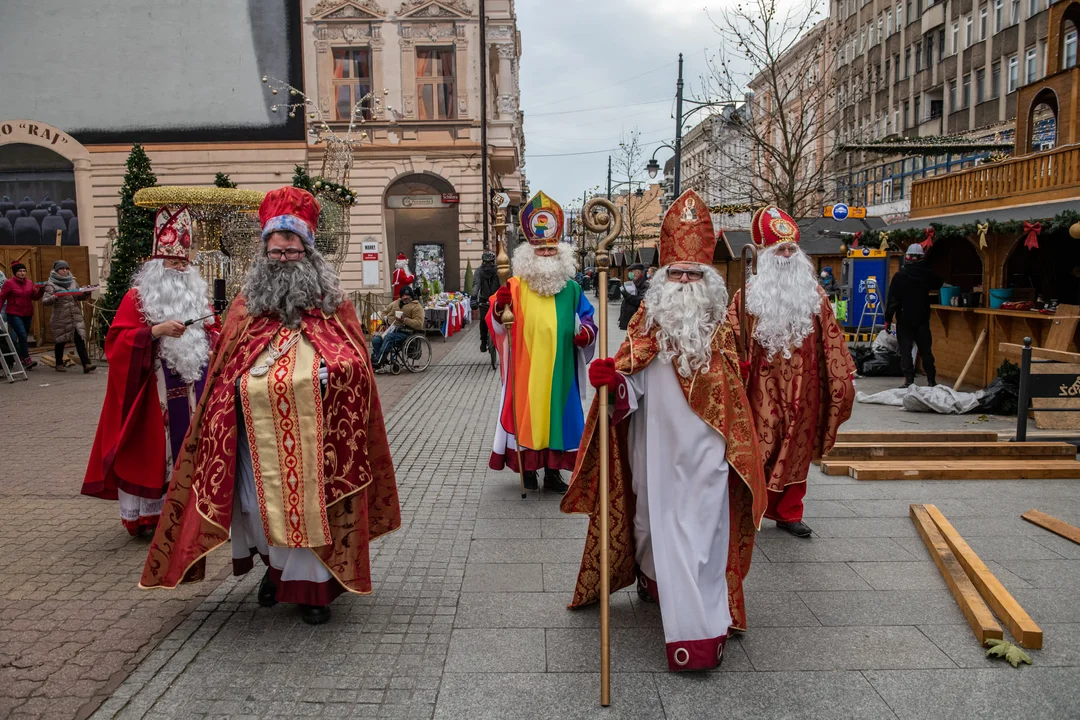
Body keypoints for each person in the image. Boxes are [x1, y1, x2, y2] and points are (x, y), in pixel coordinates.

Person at [140, 187, 401, 626]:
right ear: (264, 252)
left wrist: (330, 375)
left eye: (292, 251)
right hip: (254, 437)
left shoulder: (333, 305)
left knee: (312, 507)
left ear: (308, 252)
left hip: (319, 439)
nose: (283, 259)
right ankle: (275, 572)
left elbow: (357, 363)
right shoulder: (246, 307)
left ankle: (314, 591)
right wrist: (238, 389)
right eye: (275, 252)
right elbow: (224, 370)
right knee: (256, 508)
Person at [563, 190, 766, 672]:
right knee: (653, 523)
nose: (684, 282)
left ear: (708, 279)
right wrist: (613, 382)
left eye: (694, 274)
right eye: (676, 273)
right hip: (655, 452)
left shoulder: (722, 328)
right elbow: (632, 386)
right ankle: (656, 582)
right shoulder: (645, 323)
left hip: (708, 454)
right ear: (661, 278)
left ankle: (698, 635)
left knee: (701, 533)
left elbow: (735, 395)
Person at [82, 206, 217, 536]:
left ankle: (192, 511)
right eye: (173, 262)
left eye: (184, 262)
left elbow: (212, 332)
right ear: (157, 264)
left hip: (193, 387)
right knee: (160, 449)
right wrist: (155, 332)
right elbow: (116, 341)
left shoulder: (198, 297)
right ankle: (152, 516)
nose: (180, 268)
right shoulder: (138, 298)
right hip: (153, 390)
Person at [728, 205, 855, 538]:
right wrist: (735, 362)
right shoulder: (747, 297)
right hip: (761, 386)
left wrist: (840, 377)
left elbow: (832, 340)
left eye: (790, 249)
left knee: (797, 447)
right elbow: (728, 337)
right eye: (779, 249)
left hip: (805, 387)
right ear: (766, 254)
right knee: (759, 445)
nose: (785, 255)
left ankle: (789, 512)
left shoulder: (816, 297)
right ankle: (750, 508)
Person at [489, 191, 596, 493]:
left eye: (551, 251)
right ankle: (528, 471)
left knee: (559, 419)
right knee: (528, 415)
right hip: (526, 366)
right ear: (529, 254)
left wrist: (586, 333)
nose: (546, 256)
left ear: (561, 254)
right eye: (541, 251)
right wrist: (501, 307)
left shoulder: (572, 289)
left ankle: (553, 472)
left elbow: (587, 318)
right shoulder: (514, 286)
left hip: (561, 365)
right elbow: (496, 323)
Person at [885, 243, 943, 388]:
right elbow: (939, 283)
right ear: (921, 258)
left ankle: (909, 381)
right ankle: (931, 380)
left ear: (908, 257)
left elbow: (893, 299)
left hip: (904, 318)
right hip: (922, 318)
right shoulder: (927, 274)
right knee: (926, 351)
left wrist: (888, 319)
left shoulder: (900, 276)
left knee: (905, 351)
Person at [42, 260, 96, 373]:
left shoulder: (72, 281)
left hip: (75, 315)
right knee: (60, 340)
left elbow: (77, 296)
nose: (65, 271)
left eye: (67, 268)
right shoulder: (50, 284)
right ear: (56, 271)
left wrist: (86, 293)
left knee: (79, 338)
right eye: (62, 269)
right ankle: (59, 363)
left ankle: (86, 364)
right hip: (60, 316)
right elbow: (45, 301)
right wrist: (54, 297)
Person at [0, 261, 45, 369]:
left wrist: (41, 291)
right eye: (20, 271)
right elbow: (2, 297)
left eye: (24, 271)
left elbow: (34, 297)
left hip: (27, 313)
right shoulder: (9, 283)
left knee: (22, 337)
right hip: (14, 312)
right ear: (15, 272)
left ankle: (21, 358)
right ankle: (26, 358)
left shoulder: (29, 283)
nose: (22, 273)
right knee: (22, 335)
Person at [372, 284, 424, 368]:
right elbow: (384, 312)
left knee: (389, 338)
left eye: (407, 295)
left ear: (411, 296)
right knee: (376, 340)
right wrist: (384, 319)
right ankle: (380, 359)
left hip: (407, 332)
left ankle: (379, 361)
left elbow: (419, 324)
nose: (404, 297)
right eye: (403, 295)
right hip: (392, 329)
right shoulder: (395, 303)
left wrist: (404, 320)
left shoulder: (416, 307)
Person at [474, 250, 500, 353]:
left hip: (497, 299)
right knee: (483, 320)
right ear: (483, 262)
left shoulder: (498, 271)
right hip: (484, 299)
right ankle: (483, 340)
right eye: (486, 262)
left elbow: (503, 285)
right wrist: (473, 297)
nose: (488, 265)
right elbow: (476, 284)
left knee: (500, 320)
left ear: (493, 262)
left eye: (490, 262)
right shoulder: (479, 271)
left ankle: (500, 339)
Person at [618, 263, 649, 330]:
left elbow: (640, 300)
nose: (629, 274)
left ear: (638, 272)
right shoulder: (633, 282)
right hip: (628, 317)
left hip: (636, 318)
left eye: (631, 271)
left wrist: (627, 295)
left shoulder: (645, 284)